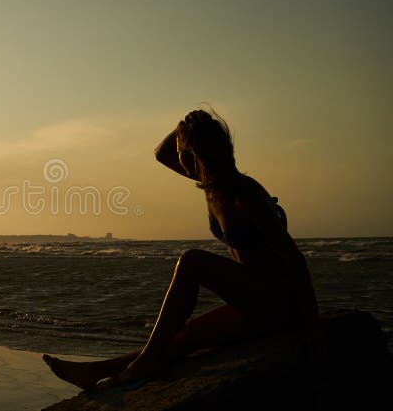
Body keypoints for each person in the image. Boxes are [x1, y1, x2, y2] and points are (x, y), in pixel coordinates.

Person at [43, 109, 318, 390]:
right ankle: (96, 370)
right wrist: (184, 128)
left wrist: (312, 326)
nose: (178, 160)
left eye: (183, 153)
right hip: (254, 300)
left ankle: (145, 362)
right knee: (185, 336)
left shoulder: (242, 193)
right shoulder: (212, 186)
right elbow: (161, 153)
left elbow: (293, 258)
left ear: (196, 155)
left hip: (279, 303)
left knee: (192, 261)